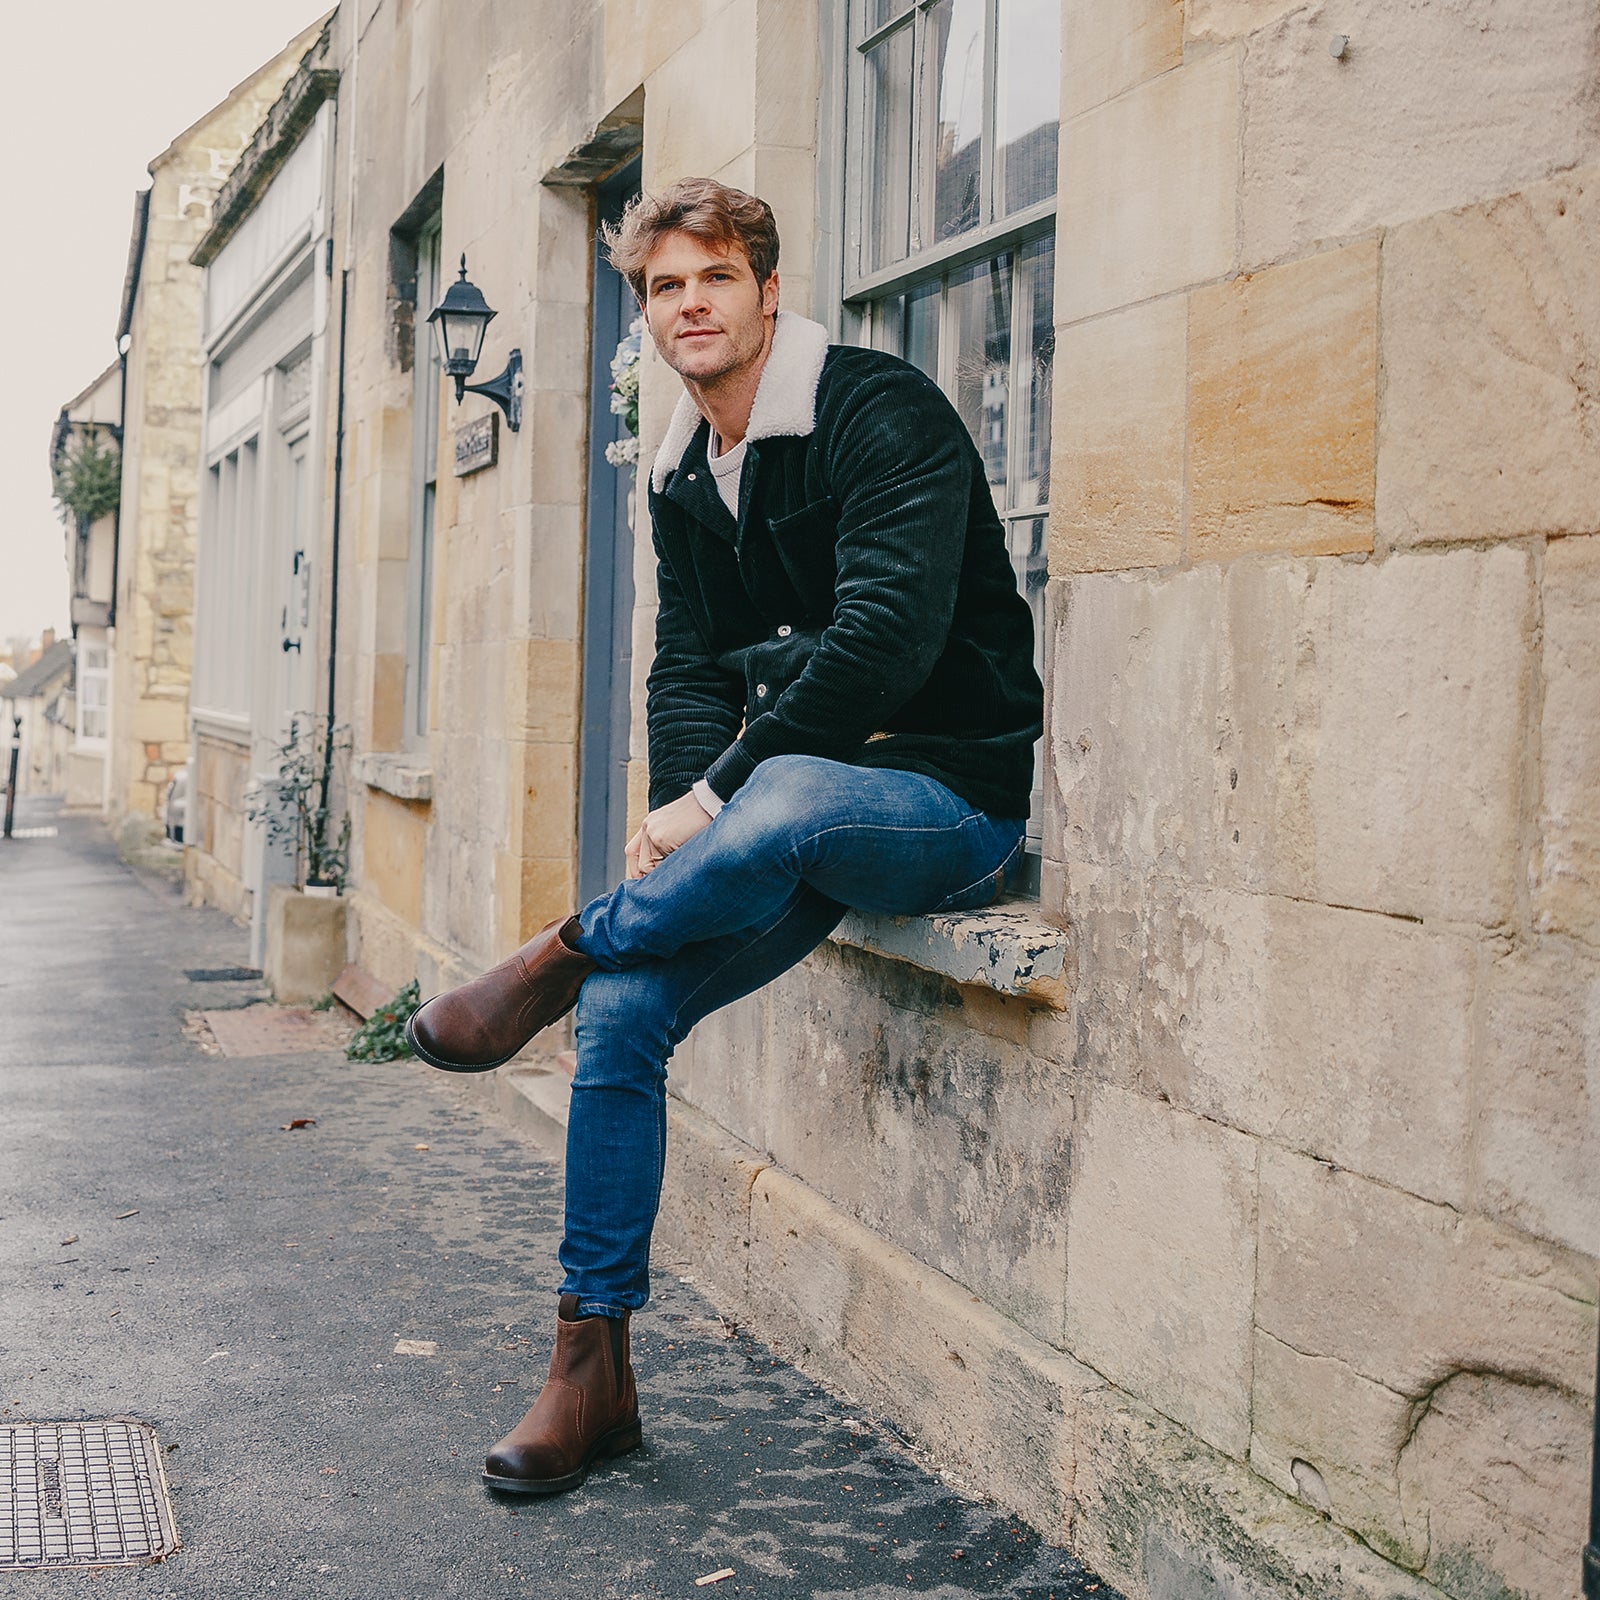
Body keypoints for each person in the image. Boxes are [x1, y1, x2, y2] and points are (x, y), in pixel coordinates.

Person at [406, 177, 1043, 1495]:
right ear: (645, 311)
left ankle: (559, 951)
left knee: (794, 797)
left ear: (765, 290)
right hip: (784, 821)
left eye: (714, 277)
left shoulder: (878, 413)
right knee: (631, 1015)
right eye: (662, 286)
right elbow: (687, 662)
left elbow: (883, 641)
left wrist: (712, 809)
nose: (689, 303)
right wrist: (700, 802)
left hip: (939, 801)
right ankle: (591, 1366)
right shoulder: (683, 467)